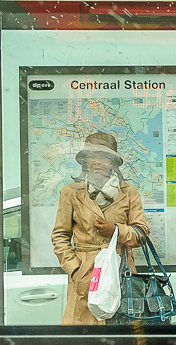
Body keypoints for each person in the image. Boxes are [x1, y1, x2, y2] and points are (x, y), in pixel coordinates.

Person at [51, 131, 149, 325]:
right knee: (85, 336)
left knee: (120, 334)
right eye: (91, 156)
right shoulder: (71, 192)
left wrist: (116, 231)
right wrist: (75, 269)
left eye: (103, 157)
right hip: (85, 275)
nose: (96, 162)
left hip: (120, 273)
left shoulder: (128, 192)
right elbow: (60, 236)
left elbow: (142, 233)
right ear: (85, 161)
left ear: (113, 162)